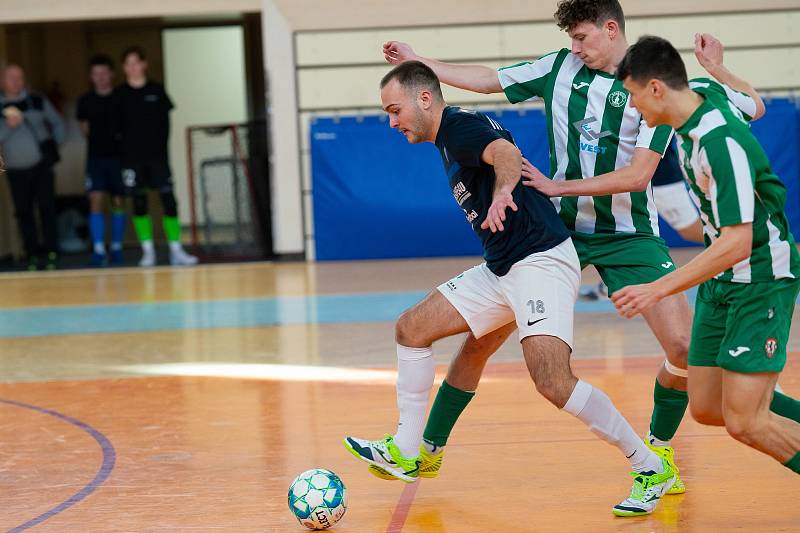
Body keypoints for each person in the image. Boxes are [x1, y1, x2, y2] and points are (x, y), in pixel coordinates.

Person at [381, 0, 693, 495]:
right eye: (571, 39)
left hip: (626, 232)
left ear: (612, 30)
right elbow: (488, 80)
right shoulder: (559, 67)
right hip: (556, 231)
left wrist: (557, 187)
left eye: (583, 38)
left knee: (682, 347)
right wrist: (422, 63)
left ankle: (657, 446)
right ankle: (425, 450)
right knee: (479, 339)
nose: (576, 48)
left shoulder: (648, 86)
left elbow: (639, 175)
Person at [612, 34, 800, 476]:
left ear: (656, 88)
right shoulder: (705, 93)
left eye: (634, 97)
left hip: (759, 277)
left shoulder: (720, 143)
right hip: (723, 281)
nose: (634, 108)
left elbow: (737, 241)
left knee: (745, 421)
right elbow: (756, 103)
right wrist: (718, 68)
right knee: (709, 406)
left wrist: (656, 289)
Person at [113, 46, 197, 267]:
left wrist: (158, 150)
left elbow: (165, 126)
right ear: (124, 68)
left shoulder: (157, 91)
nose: (132, 67)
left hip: (158, 158)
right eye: (127, 63)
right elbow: (115, 129)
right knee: (139, 202)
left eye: (136, 62)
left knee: (169, 200)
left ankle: (176, 249)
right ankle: (147, 251)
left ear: (144, 64)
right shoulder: (119, 95)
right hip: (131, 159)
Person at [0, 64, 65, 271]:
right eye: (11, 78)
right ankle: (31, 254)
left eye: (19, 77)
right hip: (15, 170)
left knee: (47, 208)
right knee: (23, 212)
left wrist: (56, 142)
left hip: (41, 165)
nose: (16, 82)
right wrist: (8, 127)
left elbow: (57, 122)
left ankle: (52, 252)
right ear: (2, 81)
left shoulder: (37, 100)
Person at [78, 55, 127, 266]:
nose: (100, 77)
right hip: (96, 158)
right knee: (96, 200)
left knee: (118, 201)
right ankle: (99, 250)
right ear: (91, 76)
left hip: (120, 158)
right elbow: (84, 129)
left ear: (112, 74)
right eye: (96, 74)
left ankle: (116, 248)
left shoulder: (121, 97)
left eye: (104, 73)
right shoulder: (85, 100)